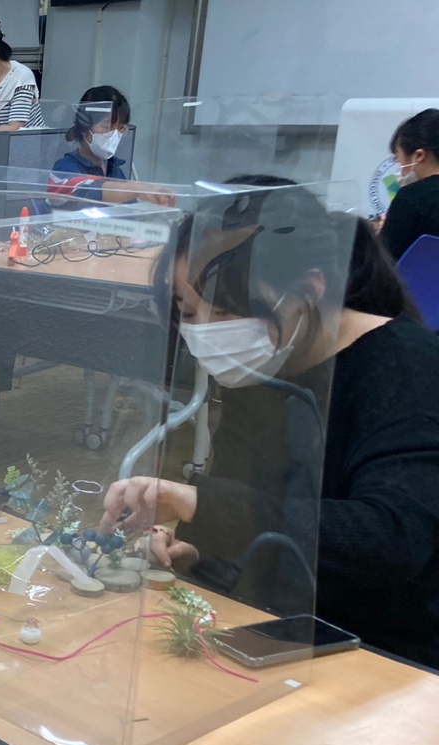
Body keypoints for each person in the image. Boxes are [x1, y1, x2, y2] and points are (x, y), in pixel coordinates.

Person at [100, 183, 439, 668]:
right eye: (189, 311)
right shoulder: (269, 360)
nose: (207, 330)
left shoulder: (408, 370)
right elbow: (261, 513)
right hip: (271, 624)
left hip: (384, 651)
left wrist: (200, 502)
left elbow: (389, 540)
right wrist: (196, 554)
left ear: (310, 291)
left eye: (227, 309)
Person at [48, 86, 176, 207]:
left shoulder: (115, 170)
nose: (114, 134)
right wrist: (138, 189)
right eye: (106, 127)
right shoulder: (64, 168)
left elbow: (128, 212)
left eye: (121, 128)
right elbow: (84, 192)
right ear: (84, 127)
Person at [380, 108, 439, 263]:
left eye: (399, 160)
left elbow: (384, 264)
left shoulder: (411, 197)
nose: (400, 170)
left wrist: (379, 236)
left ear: (419, 155)